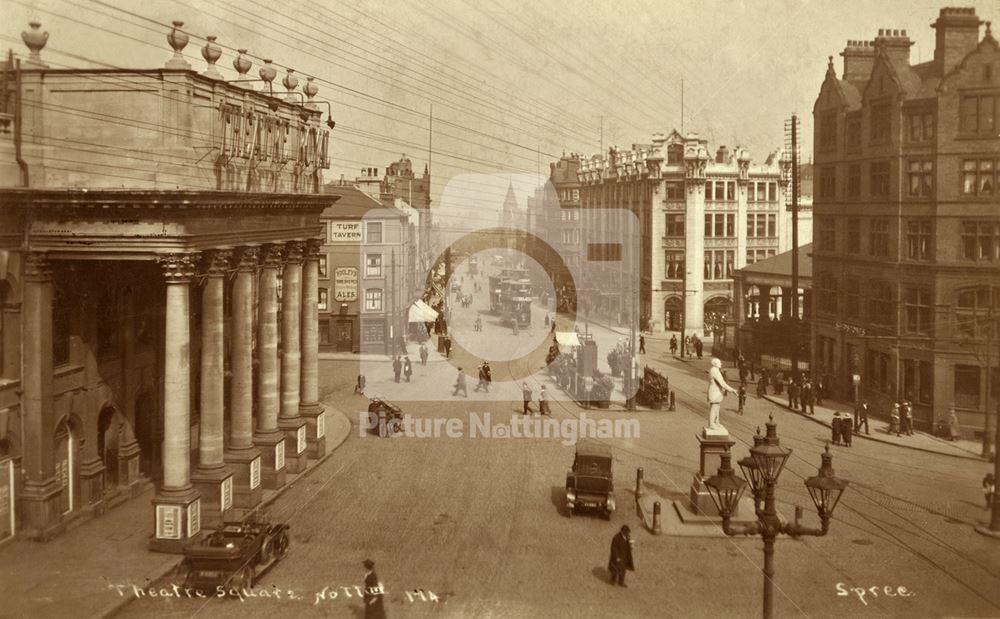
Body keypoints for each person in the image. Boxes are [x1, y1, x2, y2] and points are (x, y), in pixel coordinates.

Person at [707, 357, 738, 432]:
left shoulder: (715, 370)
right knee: (714, 408)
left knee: (717, 407)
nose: (721, 363)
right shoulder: (715, 371)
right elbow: (722, 383)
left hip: (716, 391)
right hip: (714, 392)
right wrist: (732, 390)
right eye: (720, 362)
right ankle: (711, 424)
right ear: (715, 364)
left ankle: (716, 422)